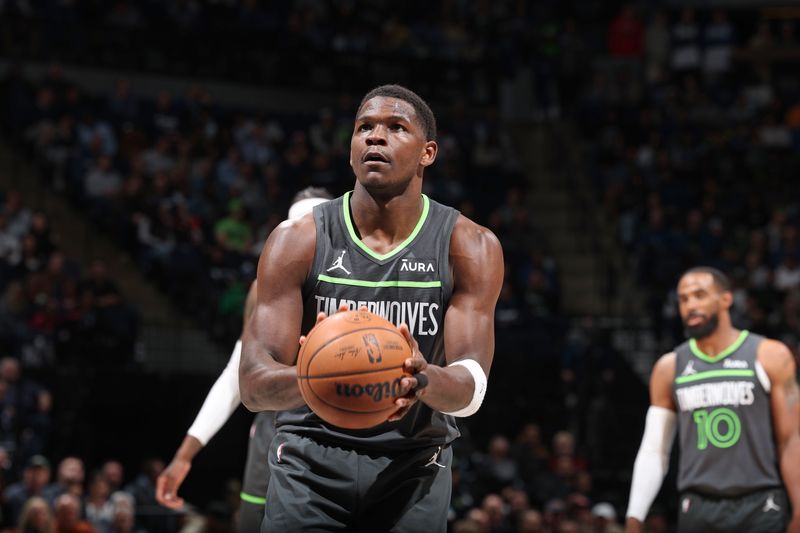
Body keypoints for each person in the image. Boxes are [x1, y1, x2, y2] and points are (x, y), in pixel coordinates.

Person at [240, 84, 504, 531]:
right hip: (308, 458)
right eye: (365, 127)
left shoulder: (469, 245)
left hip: (414, 463)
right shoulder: (296, 240)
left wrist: (420, 378)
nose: (375, 137)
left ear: (428, 153)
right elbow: (253, 384)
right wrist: (324, 376)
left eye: (396, 127)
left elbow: (471, 387)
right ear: (350, 150)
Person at [155, 188, 333, 532]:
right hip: (274, 435)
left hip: (337, 437)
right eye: (297, 227)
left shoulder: (360, 286)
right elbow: (235, 376)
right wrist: (184, 455)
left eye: (312, 227)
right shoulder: (264, 289)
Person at [625, 266, 800, 532]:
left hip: (760, 503)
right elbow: (654, 450)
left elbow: (791, 440)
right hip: (698, 506)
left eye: (699, 295)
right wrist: (635, 515)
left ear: (726, 299)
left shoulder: (770, 355)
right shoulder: (669, 368)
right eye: (683, 299)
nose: (690, 305)